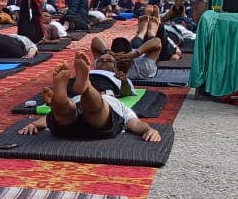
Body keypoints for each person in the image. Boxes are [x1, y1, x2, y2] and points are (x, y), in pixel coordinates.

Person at [20, 53, 163, 143]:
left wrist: (148, 130)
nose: (105, 62)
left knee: (91, 109)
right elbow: (135, 123)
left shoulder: (118, 76)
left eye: (109, 61)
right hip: (78, 110)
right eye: (101, 60)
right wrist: (35, 124)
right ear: (95, 65)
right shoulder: (85, 74)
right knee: (66, 110)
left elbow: (131, 106)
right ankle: (65, 95)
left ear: (115, 67)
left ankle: (82, 89)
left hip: (97, 103)